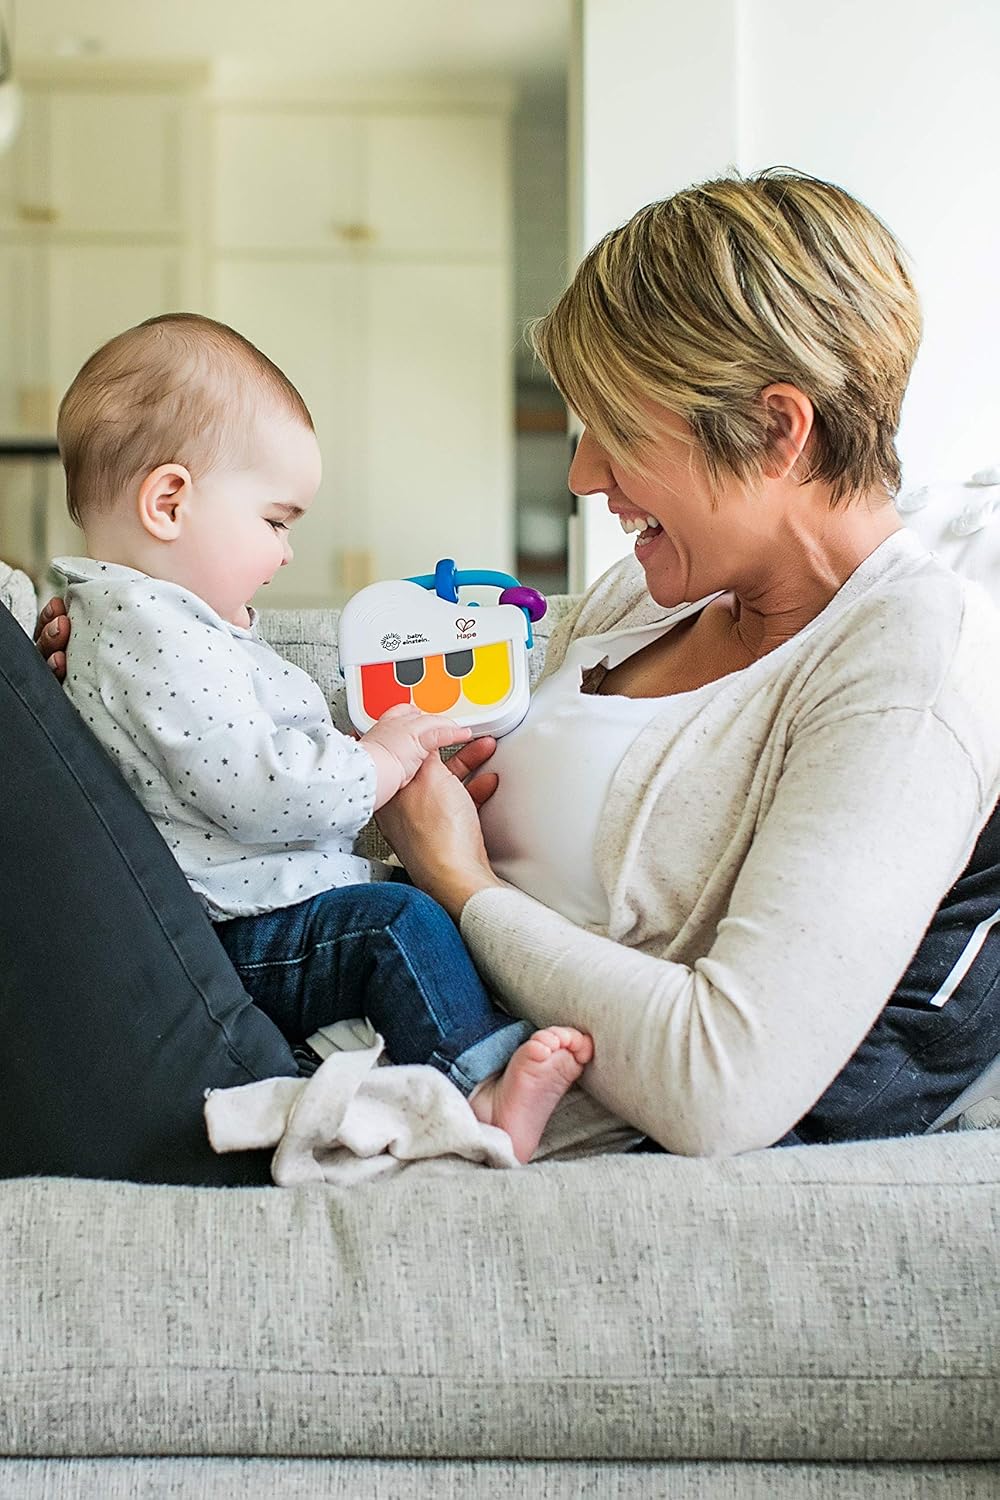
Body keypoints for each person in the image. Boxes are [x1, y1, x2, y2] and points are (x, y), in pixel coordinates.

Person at [39, 173, 1000, 1158]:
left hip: (457, 1084)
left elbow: (720, 1083)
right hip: (322, 991)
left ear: (775, 428)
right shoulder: (644, 596)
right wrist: (146, 658)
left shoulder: (913, 661)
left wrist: (456, 880)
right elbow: (370, 777)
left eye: (618, 432)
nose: (583, 475)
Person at [44, 312, 591, 1165]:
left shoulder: (166, 624)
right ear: (169, 502)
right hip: (230, 931)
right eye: (274, 520)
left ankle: (414, 1068)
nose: (289, 551)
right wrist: (383, 759)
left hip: (254, 902)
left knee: (401, 907)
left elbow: (260, 741)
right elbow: (262, 790)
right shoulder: (154, 636)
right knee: (394, 924)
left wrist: (378, 735)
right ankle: (476, 1090)